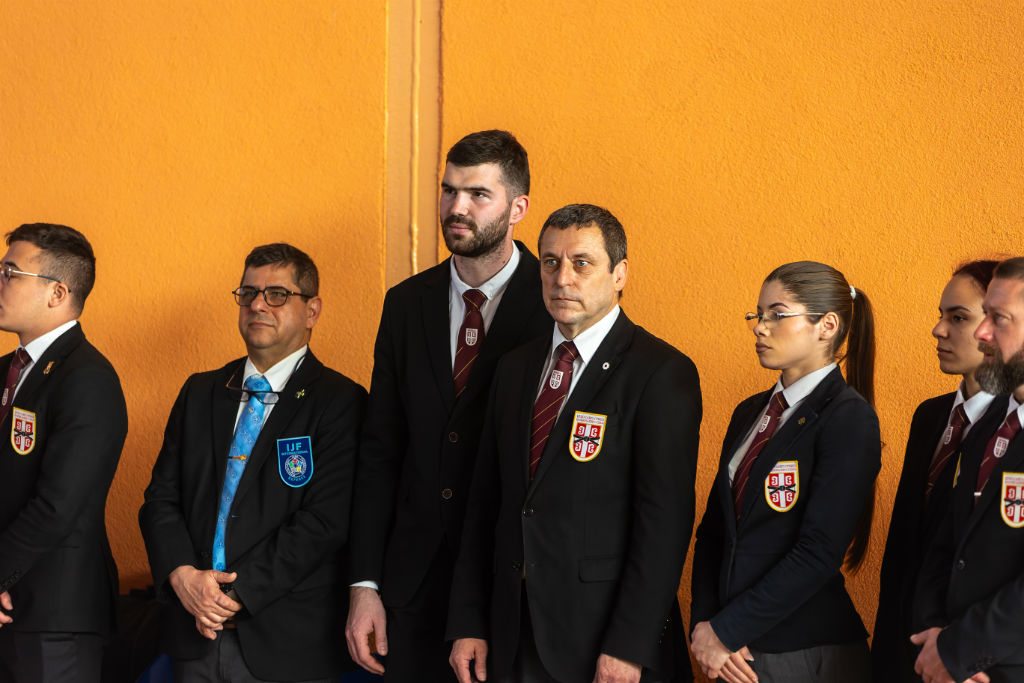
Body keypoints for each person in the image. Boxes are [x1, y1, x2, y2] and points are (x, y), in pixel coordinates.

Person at [447, 203, 702, 683]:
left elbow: (664, 524)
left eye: (581, 263)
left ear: (619, 274)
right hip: (511, 633)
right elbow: (485, 503)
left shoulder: (661, 373)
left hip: (603, 643)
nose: (562, 278)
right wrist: (468, 621)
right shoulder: (514, 368)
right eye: (550, 262)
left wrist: (629, 646)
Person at [344, 130, 551, 682]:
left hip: (508, 588)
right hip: (410, 588)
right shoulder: (405, 303)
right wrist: (364, 584)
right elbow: (380, 451)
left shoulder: (553, 305)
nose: (457, 207)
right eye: (449, 190)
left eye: (478, 194)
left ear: (518, 208)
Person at [139, 243, 365, 682]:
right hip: (193, 632)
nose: (258, 305)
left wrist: (233, 595)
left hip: (286, 642)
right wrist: (182, 577)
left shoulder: (340, 401)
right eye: (248, 293)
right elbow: (160, 499)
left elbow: (325, 522)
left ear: (312, 311)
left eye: (277, 294)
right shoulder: (200, 392)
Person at [690, 261, 881, 683]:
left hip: (803, 650)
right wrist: (704, 625)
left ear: (827, 325)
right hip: (733, 648)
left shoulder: (848, 418)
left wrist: (727, 630)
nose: (760, 327)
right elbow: (714, 532)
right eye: (758, 314)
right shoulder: (749, 412)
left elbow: (819, 551)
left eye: (777, 315)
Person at [0, 223, 128, 683]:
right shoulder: (7, 370)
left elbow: (58, 505)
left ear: (57, 293)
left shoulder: (87, 378)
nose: (0, 282)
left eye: (11, 273)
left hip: (54, 616)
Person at [872, 260, 1000, 681]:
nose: (938, 330)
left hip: (968, 660)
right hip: (901, 650)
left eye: (958, 317)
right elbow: (904, 545)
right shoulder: (930, 416)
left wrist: (967, 651)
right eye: (941, 315)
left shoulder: (1012, 430)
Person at [911, 256, 1024, 683]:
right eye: (984, 315)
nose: (982, 333)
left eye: (999, 319)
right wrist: (934, 637)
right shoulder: (988, 427)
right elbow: (945, 546)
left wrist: (960, 651)